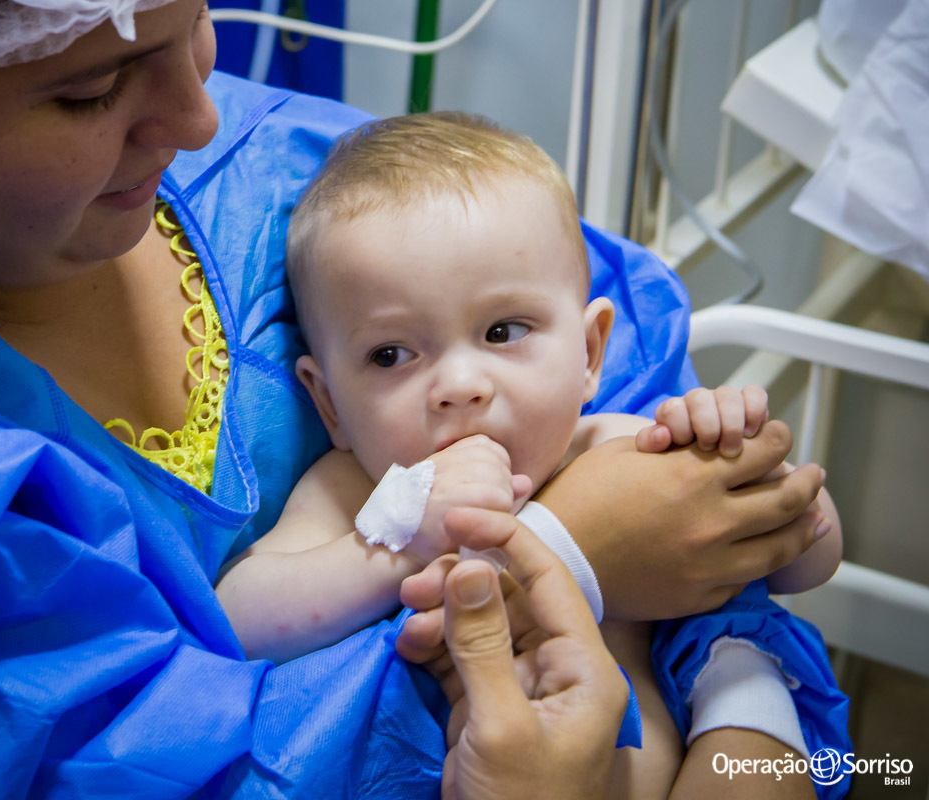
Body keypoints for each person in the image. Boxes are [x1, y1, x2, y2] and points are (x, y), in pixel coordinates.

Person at [0, 0, 833, 796]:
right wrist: (567, 545)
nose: (198, 115)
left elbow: (725, 528)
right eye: (88, 90)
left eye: (193, 20)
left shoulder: (286, 160)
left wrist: (754, 710)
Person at [215, 112, 844, 798]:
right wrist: (398, 538)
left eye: (502, 330)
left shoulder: (614, 448)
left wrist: (740, 457)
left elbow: (808, 559)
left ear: (589, 353)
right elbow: (237, 619)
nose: (459, 386)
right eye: (391, 354)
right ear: (329, 401)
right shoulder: (356, 493)